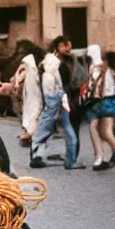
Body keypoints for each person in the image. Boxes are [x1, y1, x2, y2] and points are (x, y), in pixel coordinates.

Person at [30, 36, 82, 169]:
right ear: (58, 47)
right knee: (48, 126)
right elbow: (49, 84)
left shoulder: (67, 62)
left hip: (61, 97)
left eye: (69, 46)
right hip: (55, 97)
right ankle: (38, 155)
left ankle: (70, 160)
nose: (68, 48)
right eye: (65, 45)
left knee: (60, 126)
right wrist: (54, 99)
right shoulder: (51, 62)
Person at [88, 50, 115, 171]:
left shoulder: (106, 72)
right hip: (104, 103)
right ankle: (105, 155)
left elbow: (101, 88)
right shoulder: (111, 71)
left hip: (103, 103)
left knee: (102, 130)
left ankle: (110, 152)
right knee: (102, 130)